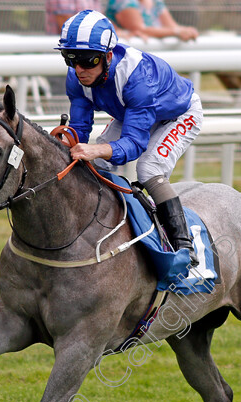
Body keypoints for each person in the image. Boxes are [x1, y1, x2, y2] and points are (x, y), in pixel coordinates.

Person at [57, 10, 202, 264]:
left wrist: (95, 149)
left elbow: (135, 145)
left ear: (108, 57)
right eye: (70, 58)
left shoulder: (138, 78)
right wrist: (64, 139)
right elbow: (80, 129)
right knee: (95, 165)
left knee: (148, 168)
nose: (79, 70)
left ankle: (183, 245)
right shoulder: (76, 77)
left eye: (88, 60)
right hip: (132, 112)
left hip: (179, 114)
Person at [106, 0, 199, 41]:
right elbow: (140, 29)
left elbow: (171, 25)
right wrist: (177, 32)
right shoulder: (123, 2)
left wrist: (187, 30)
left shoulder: (156, 1)